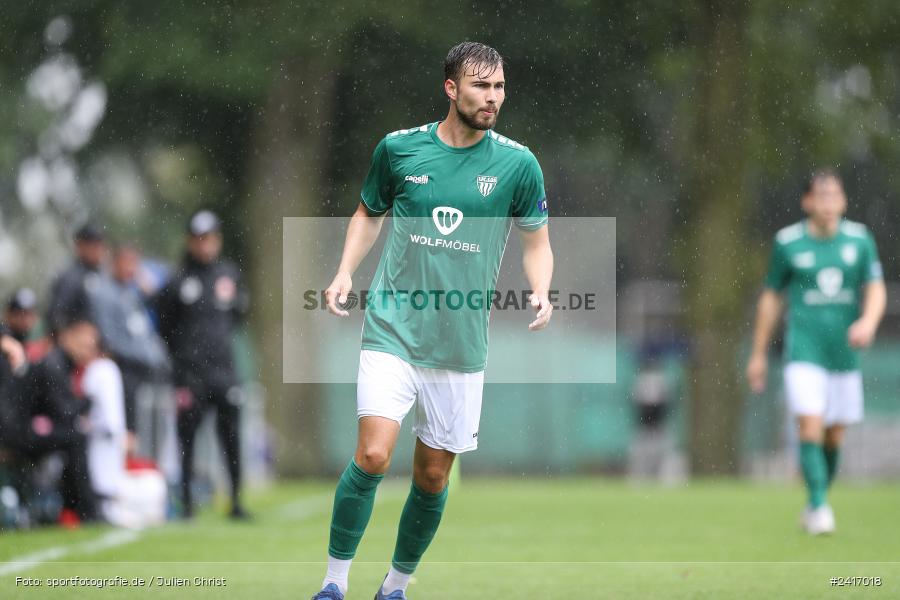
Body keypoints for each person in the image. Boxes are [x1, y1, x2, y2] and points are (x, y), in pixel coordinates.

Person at [311, 42, 554, 600]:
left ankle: (394, 586)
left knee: (432, 476)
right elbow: (368, 214)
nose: (492, 98)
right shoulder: (399, 150)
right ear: (451, 88)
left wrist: (541, 289)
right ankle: (333, 582)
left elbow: (537, 242)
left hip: (461, 343)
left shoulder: (518, 164)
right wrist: (346, 271)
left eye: (498, 87)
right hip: (393, 327)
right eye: (480, 87)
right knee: (372, 455)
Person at [746, 169, 886, 535]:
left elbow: (875, 288)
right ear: (806, 201)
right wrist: (758, 354)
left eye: (834, 196)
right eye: (820, 196)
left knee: (833, 435)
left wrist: (868, 323)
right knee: (809, 423)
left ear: (843, 201)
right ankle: (822, 508)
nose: (828, 203)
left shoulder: (859, 240)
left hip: (843, 354)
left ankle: (813, 500)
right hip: (803, 351)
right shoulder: (788, 243)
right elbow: (771, 299)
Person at [154, 210, 250, 520]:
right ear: (189, 241)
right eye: (198, 239)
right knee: (187, 440)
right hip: (190, 375)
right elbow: (164, 326)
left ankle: (235, 501)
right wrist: (183, 362)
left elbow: (237, 316)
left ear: (217, 240)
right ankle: (186, 504)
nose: (204, 245)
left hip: (224, 371)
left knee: (231, 436)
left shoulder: (229, 275)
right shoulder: (177, 280)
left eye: (208, 238)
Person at [8, 315, 101, 524]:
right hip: (22, 433)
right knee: (76, 438)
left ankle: (75, 508)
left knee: (75, 437)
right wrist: (87, 401)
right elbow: (63, 412)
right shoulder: (54, 364)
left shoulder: (60, 363)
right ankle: (84, 509)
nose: (89, 351)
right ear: (68, 337)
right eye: (85, 344)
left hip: (31, 429)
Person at [91, 244, 170, 445]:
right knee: (132, 427)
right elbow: (109, 338)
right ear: (114, 264)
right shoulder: (104, 293)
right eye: (126, 262)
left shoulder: (135, 294)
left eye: (135, 263)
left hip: (150, 370)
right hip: (127, 370)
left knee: (155, 429)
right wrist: (140, 356)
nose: (131, 268)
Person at [45, 223, 107, 337]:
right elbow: (55, 315)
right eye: (92, 244)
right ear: (79, 246)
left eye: (99, 244)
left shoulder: (105, 274)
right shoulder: (69, 278)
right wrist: (71, 334)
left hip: (104, 344)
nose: (97, 249)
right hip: (80, 344)